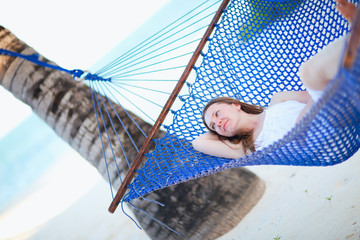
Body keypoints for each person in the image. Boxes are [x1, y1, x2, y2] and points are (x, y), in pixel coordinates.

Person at [192, 0, 358, 159]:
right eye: (213, 126)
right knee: (309, 76)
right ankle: (355, 35)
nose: (217, 122)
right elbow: (198, 142)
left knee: (313, 76)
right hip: (325, 131)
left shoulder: (277, 100)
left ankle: (354, 40)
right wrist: (219, 128)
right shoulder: (244, 148)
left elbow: (314, 95)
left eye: (217, 114)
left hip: (336, 107)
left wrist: (308, 111)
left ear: (235, 104)